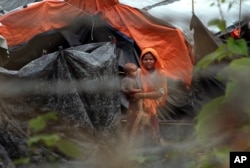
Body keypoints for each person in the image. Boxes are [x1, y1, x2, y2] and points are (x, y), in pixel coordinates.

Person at [123, 48, 167, 145]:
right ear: (141, 60)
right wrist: (129, 94)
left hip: (150, 109)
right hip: (135, 108)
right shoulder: (136, 72)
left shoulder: (160, 74)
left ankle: (155, 155)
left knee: (153, 134)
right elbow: (128, 85)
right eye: (145, 59)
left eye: (151, 59)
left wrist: (142, 95)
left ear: (155, 60)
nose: (148, 61)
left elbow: (160, 93)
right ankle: (132, 156)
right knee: (133, 133)